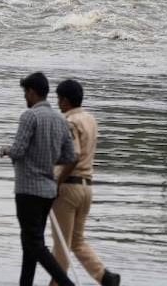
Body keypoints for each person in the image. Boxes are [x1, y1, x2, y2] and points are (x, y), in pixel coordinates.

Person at [0, 72, 77, 286]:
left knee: (35, 244)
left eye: (26, 92)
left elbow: (19, 150)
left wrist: (6, 150)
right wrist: (49, 157)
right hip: (48, 191)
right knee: (30, 244)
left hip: (28, 190)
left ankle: (66, 283)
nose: (25, 96)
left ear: (32, 93)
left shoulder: (29, 116)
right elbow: (69, 157)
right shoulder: (61, 120)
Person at [51, 80, 121, 286]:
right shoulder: (90, 119)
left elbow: (73, 155)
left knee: (61, 246)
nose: (58, 103)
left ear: (65, 100)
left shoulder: (69, 121)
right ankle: (105, 277)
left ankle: (57, 284)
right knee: (76, 241)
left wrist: (57, 182)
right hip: (87, 186)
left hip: (68, 186)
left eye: (59, 99)